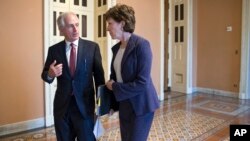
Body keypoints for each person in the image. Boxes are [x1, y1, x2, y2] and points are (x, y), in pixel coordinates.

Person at [41, 12, 104, 141]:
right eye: (70, 26)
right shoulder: (54, 50)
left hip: (85, 108)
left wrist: (101, 105)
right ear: (61, 29)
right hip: (62, 108)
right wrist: (50, 74)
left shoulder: (92, 48)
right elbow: (45, 75)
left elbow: (99, 79)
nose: (75, 29)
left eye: (77, 25)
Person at [105, 4, 160, 141]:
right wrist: (112, 103)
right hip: (125, 104)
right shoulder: (116, 49)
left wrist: (115, 87)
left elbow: (142, 83)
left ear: (122, 24)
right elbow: (115, 77)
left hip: (142, 105)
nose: (107, 28)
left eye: (110, 23)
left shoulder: (142, 45)